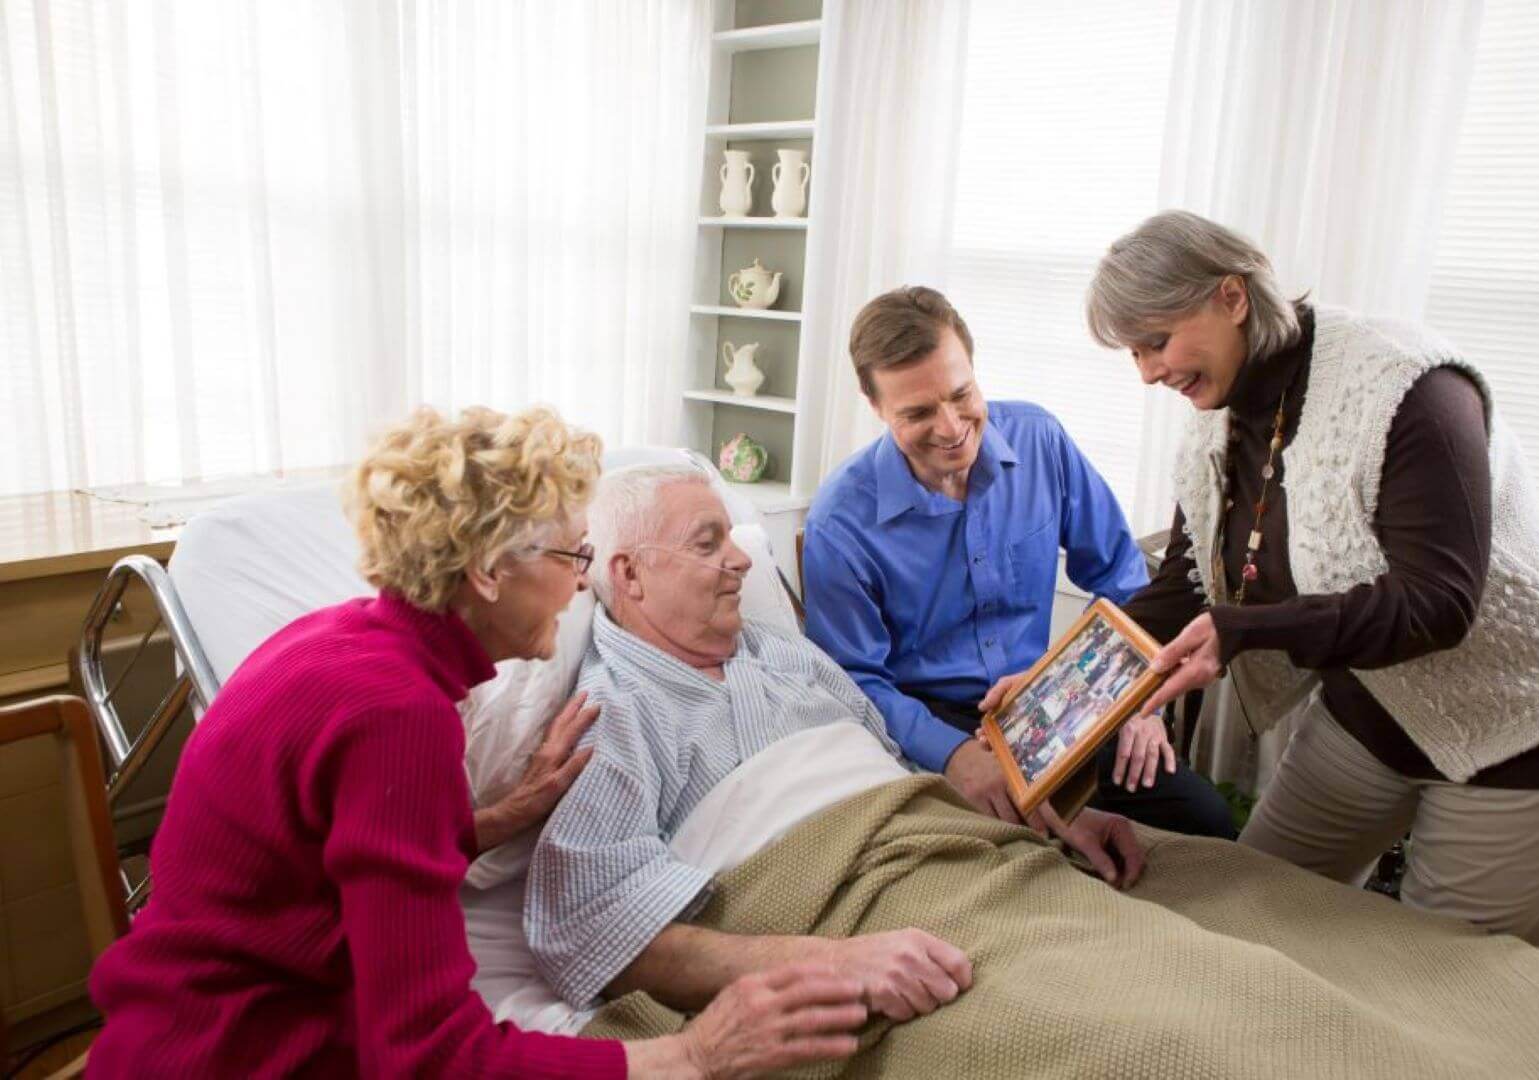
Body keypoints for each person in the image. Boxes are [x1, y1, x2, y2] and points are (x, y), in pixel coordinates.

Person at [89, 406, 867, 1079]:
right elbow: (430, 1059)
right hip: (235, 1054)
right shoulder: (398, 717)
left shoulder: (343, 642)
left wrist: (491, 820)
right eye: (572, 557)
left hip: (187, 1020)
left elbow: (323, 853)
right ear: (492, 573)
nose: (582, 586)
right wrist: (695, 1056)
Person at [1088, 209, 1539, 948]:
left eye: (1156, 342)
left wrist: (1244, 631)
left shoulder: (1410, 389)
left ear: (1232, 298)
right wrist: (1063, 682)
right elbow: (1188, 582)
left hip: (1526, 722)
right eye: (1132, 353)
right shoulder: (1220, 406)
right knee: (1250, 919)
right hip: (1374, 712)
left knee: (1435, 986)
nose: (1148, 372)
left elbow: (1438, 604)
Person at [526, 464, 1144, 1012]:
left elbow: (900, 778)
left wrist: (1047, 814)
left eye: (733, 540)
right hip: (853, 917)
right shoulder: (615, 711)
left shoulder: (784, 653)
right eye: (708, 545)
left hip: (965, 863)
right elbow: (593, 923)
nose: (740, 560)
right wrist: (828, 964)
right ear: (629, 573)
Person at [803, 286, 1235, 839]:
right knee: (1025, 853)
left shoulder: (1040, 440)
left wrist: (1137, 701)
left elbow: (1122, 579)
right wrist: (955, 754)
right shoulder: (839, 521)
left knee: (1207, 821)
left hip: (1060, 698)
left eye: (961, 394)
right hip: (931, 722)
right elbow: (853, 678)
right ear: (875, 407)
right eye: (917, 413)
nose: (951, 426)